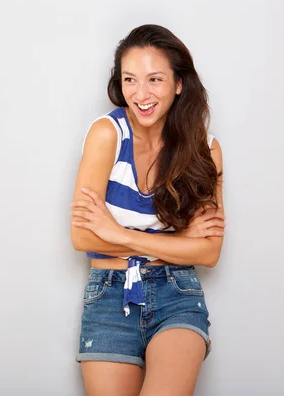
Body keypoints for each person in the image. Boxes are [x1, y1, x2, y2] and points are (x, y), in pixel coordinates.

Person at [70, 24, 225, 396]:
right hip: (108, 294)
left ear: (178, 83)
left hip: (177, 294)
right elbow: (81, 236)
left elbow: (208, 251)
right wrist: (175, 244)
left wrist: (118, 234)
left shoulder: (205, 150)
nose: (141, 94)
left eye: (155, 79)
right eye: (130, 79)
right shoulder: (107, 134)